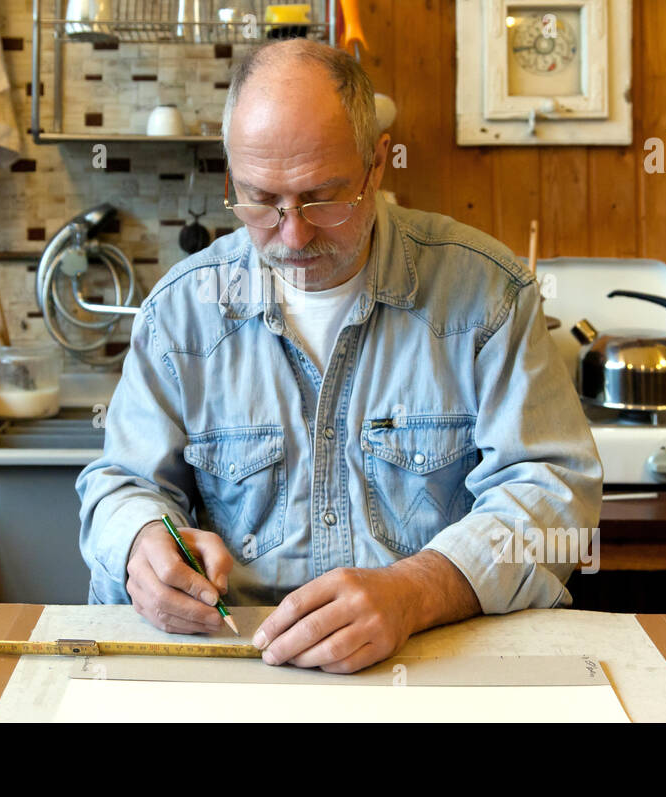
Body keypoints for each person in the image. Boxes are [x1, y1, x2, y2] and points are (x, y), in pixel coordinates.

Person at [76, 38, 601, 674]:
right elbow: (121, 484)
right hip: (234, 670)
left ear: (377, 164)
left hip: (435, 664)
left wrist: (416, 591)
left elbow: (553, 491)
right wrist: (140, 542)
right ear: (230, 178)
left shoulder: (486, 294)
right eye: (262, 200)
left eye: (324, 198)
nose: (293, 236)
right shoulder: (181, 313)